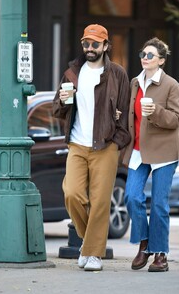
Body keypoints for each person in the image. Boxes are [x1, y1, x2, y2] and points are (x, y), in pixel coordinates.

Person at [53, 24, 131, 271]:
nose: (89, 48)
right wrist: (64, 102)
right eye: (86, 43)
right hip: (77, 144)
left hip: (105, 146)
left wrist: (116, 142)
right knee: (72, 193)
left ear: (106, 46)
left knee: (99, 202)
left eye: (95, 44)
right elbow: (56, 109)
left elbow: (125, 115)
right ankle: (90, 244)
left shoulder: (117, 74)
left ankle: (93, 254)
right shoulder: (72, 73)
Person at [123, 37, 179, 272]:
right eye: (143, 54)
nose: (145, 58)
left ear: (161, 60)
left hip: (165, 152)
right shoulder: (134, 83)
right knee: (131, 197)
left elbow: (176, 120)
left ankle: (160, 255)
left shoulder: (171, 85)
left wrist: (156, 112)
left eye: (150, 55)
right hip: (138, 150)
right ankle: (144, 243)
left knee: (159, 205)